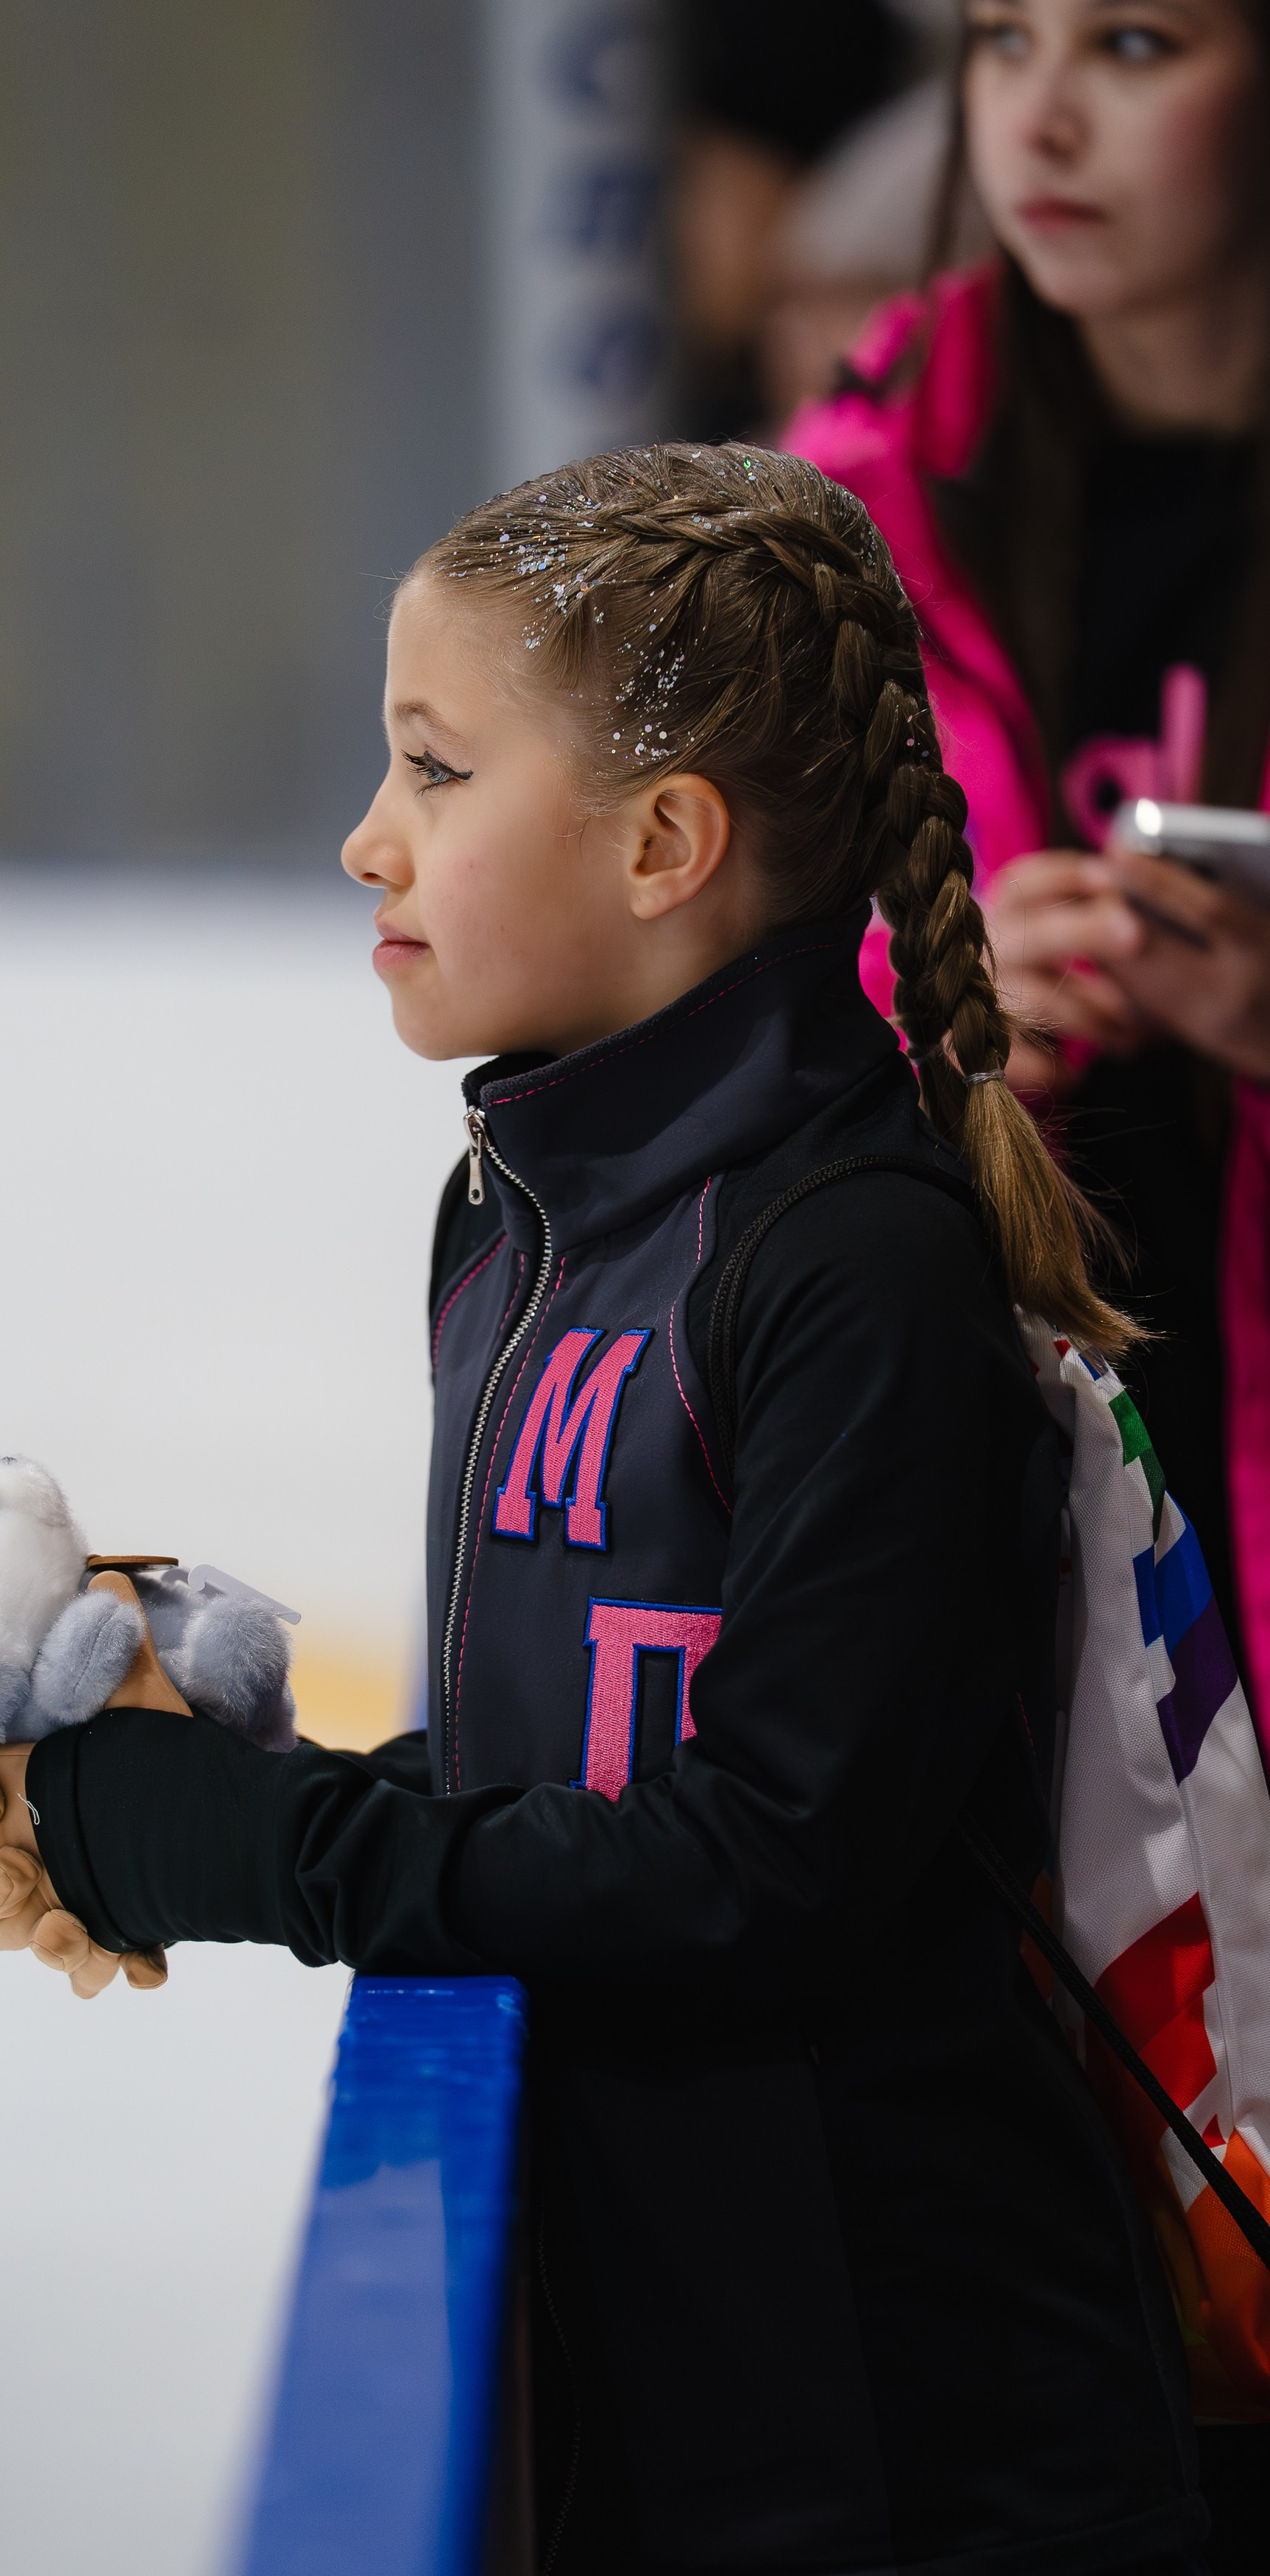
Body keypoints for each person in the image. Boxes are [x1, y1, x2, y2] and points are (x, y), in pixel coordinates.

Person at [0, 444, 1211, 2575]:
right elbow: (578, 1769)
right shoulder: (513, 1216)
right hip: (684, 2396)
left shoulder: (852, 1269)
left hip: (923, 2456)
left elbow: (771, 1865)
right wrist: (167, 1802)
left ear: (662, 844)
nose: (367, 835)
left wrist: (257, 1849)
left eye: (433, 768)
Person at [783, 0, 1270, 1747]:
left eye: (1133, 46)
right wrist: (928, 998)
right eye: (1001, 40)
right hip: (1003, 1521)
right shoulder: (846, 490)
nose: (1039, 121)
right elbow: (691, 992)